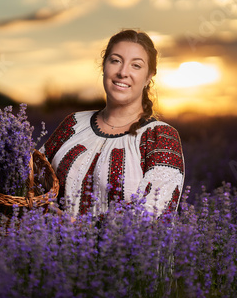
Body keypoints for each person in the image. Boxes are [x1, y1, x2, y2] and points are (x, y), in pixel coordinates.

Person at [39, 29, 184, 218]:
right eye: (115, 61)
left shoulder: (160, 138)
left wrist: (73, 227)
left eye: (136, 66)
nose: (123, 72)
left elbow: (152, 215)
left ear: (149, 77)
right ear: (104, 66)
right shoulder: (73, 123)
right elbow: (31, 178)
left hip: (117, 248)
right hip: (47, 245)